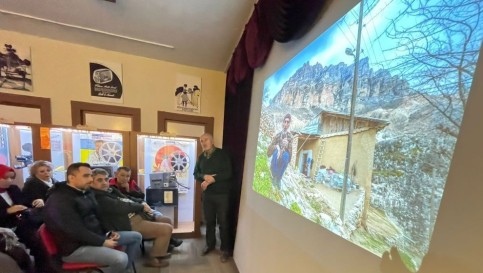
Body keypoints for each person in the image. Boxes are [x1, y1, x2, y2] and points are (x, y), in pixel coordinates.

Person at [43, 162, 142, 273]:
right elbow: (75, 231)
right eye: (86, 176)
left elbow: (98, 216)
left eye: (90, 175)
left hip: (95, 237)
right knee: (121, 258)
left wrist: (108, 232)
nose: (90, 179)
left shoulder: (85, 191)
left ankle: (123, 269)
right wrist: (102, 242)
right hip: (74, 248)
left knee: (136, 237)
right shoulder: (60, 200)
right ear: (71, 177)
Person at [91, 168, 173, 268]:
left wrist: (141, 202)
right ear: (91, 182)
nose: (104, 183)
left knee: (166, 220)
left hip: (136, 215)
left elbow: (127, 198)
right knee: (166, 228)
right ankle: (154, 258)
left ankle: (160, 251)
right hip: (127, 223)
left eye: (106, 179)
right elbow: (120, 207)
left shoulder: (110, 190)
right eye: (100, 180)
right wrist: (142, 206)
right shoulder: (98, 197)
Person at [0, 164, 59, 273]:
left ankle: (44, 269)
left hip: (20, 223)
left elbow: (25, 203)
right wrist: (7, 211)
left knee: (40, 240)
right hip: (4, 228)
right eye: (5, 178)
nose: (9, 181)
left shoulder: (13, 189)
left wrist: (38, 202)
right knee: (25, 246)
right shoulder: (32, 184)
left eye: (11, 178)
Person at [109, 166, 183, 250]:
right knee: (159, 218)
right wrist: (127, 193)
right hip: (130, 216)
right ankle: (168, 242)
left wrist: (129, 190)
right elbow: (123, 202)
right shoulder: (111, 187)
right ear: (116, 174)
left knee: (162, 217)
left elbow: (141, 196)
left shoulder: (131, 183)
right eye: (122, 175)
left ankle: (166, 243)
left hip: (140, 209)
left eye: (127, 176)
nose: (125, 178)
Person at [193, 133, 233, 263]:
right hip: (208, 195)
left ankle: (225, 249)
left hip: (222, 195)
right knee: (209, 222)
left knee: (223, 223)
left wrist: (213, 179)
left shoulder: (222, 154)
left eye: (205, 140)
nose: (203, 142)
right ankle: (210, 245)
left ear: (212, 141)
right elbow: (196, 174)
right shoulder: (201, 157)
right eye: (201, 141)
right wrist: (204, 177)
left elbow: (228, 173)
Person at [267, 113, 293, 189]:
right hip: (277, 152)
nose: (286, 123)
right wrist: (277, 147)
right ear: (282, 123)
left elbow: (290, 151)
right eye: (285, 121)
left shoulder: (290, 137)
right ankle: (274, 175)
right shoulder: (278, 135)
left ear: (289, 124)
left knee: (286, 157)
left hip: (284, 153)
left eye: (288, 122)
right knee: (275, 154)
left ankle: (278, 178)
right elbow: (271, 146)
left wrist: (287, 145)